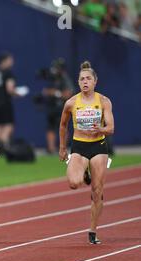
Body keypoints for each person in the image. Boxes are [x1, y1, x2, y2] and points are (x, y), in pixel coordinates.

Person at [59, 61, 114, 245]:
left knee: (97, 191)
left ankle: (92, 230)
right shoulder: (71, 102)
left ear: (95, 82)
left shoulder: (104, 101)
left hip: (98, 146)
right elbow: (63, 125)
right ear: (78, 82)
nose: (85, 82)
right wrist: (62, 147)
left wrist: (101, 129)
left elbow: (111, 127)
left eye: (88, 78)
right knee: (74, 183)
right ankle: (84, 172)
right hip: (79, 146)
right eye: (82, 79)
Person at [0, 52, 25, 150]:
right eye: (10, 60)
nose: (12, 62)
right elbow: (10, 89)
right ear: (5, 61)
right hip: (5, 103)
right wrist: (19, 93)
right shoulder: (8, 73)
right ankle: (4, 148)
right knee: (8, 126)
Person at [39, 58, 74, 154]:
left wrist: (55, 93)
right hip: (52, 107)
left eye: (57, 68)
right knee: (50, 128)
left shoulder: (65, 79)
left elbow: (68, 94)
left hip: (62, 108)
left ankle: (63, 148)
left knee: (62, 127)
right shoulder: (53, 78)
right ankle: (51, 149)